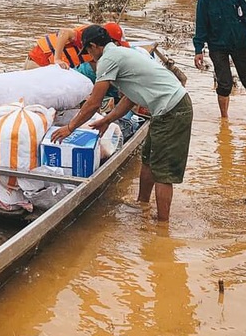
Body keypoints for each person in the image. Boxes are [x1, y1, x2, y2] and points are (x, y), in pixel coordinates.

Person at [51, 25, 193, 222]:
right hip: (165, 109)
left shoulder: (107, 60)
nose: (90, 56)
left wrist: (69, 127)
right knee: (149, 159)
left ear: (94, 46)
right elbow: (130, 98)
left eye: (88, 51)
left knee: (163, 171)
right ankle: (142, 203)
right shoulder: (120, 53)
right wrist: (108, 120)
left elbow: (93, 102)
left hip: (173, 109)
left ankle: (162, 226)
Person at [26, 21, 129, 69]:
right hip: (39, 61)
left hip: (48, 68)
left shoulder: (99, 49)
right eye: (116, 44)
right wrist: (57, 59)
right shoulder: (89, 35)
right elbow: (64, 32)